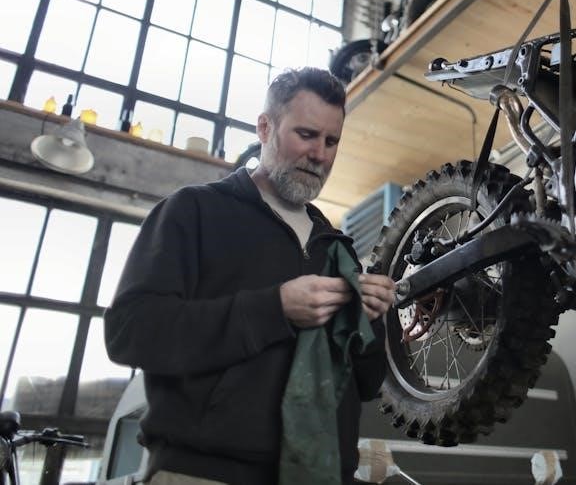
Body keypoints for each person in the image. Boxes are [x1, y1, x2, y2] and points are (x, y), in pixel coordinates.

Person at [105, 67, 396, 485]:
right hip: (203, 472)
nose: (320, 154)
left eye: (331, 141)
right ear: (264, 127)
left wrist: (369, 322)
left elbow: (366, 384)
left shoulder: (338, 249)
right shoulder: (194, 211)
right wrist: (274, 309)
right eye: (306, 135)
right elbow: (129, 331)